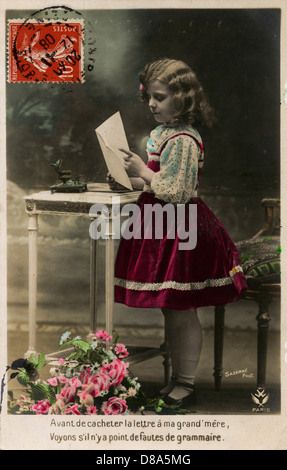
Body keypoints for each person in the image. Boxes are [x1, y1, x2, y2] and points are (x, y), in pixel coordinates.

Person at [107, 58, 247, 407]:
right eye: (149, 98)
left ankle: (185, 382)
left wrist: (143, 170)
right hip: (162, 226)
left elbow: (178, 191)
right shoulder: (164, 134)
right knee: (172, 307)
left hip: (182, 228)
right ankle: (176, 380)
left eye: (160, 97)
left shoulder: (183, 138)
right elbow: (160, 180)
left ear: (182, 100)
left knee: (182, 308)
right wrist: (132, 179)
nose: (152, 104)